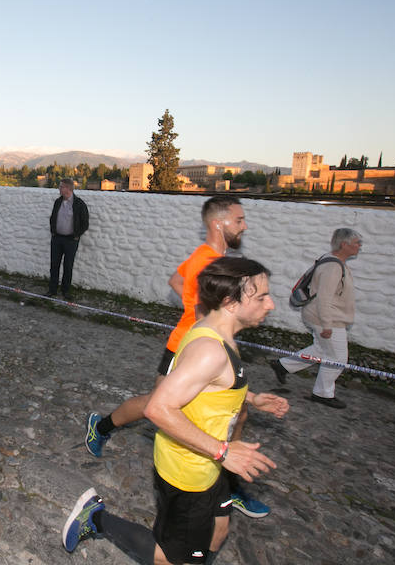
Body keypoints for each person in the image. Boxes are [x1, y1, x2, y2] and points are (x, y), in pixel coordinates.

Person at [63, 257, 289, 564]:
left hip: (210, 463)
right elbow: (158, 408)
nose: (271, 304)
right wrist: (224, 453)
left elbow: (214, 387)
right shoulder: (210, 351)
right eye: (261, 296)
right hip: (190, 472)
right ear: (230, 302)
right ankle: (96, 519)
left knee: (220, 529)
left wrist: (252, 398)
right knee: (170, 557)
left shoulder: (215, 332)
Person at [85, 196, 270, 517]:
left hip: (203, 347)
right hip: (191, 350)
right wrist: (195, 320)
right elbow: (199, 308)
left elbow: (176, 281)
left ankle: (227, 486)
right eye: (239, 220)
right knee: (158, 406)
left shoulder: (210, 258)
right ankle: (101, 429)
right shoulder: (207, 262)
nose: (245, 225)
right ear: (219, 223)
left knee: (234, 415)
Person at [272, 228, 361, 409]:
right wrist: (327, 325)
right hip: (327, 319)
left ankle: (283, 366)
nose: (359, 246)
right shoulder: (333, 266)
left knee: (321, 350)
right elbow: (324, 298)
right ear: (344, 245)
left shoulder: (334, 262)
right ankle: (323, 393)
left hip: (322, 317)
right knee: (337, 358)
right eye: (357, 243)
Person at [48, 178, 89, 299]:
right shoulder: (58, 202)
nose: (59, 189)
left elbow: (85, 223)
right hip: (57, 239)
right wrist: (53, 231)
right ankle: (52, 290)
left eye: (61, 187)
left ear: (68, 188)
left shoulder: (79, 204)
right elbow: (52, 218)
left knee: (68, 266)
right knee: (54, 265)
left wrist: (77, 235)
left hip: (71, 240)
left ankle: (66, 291)